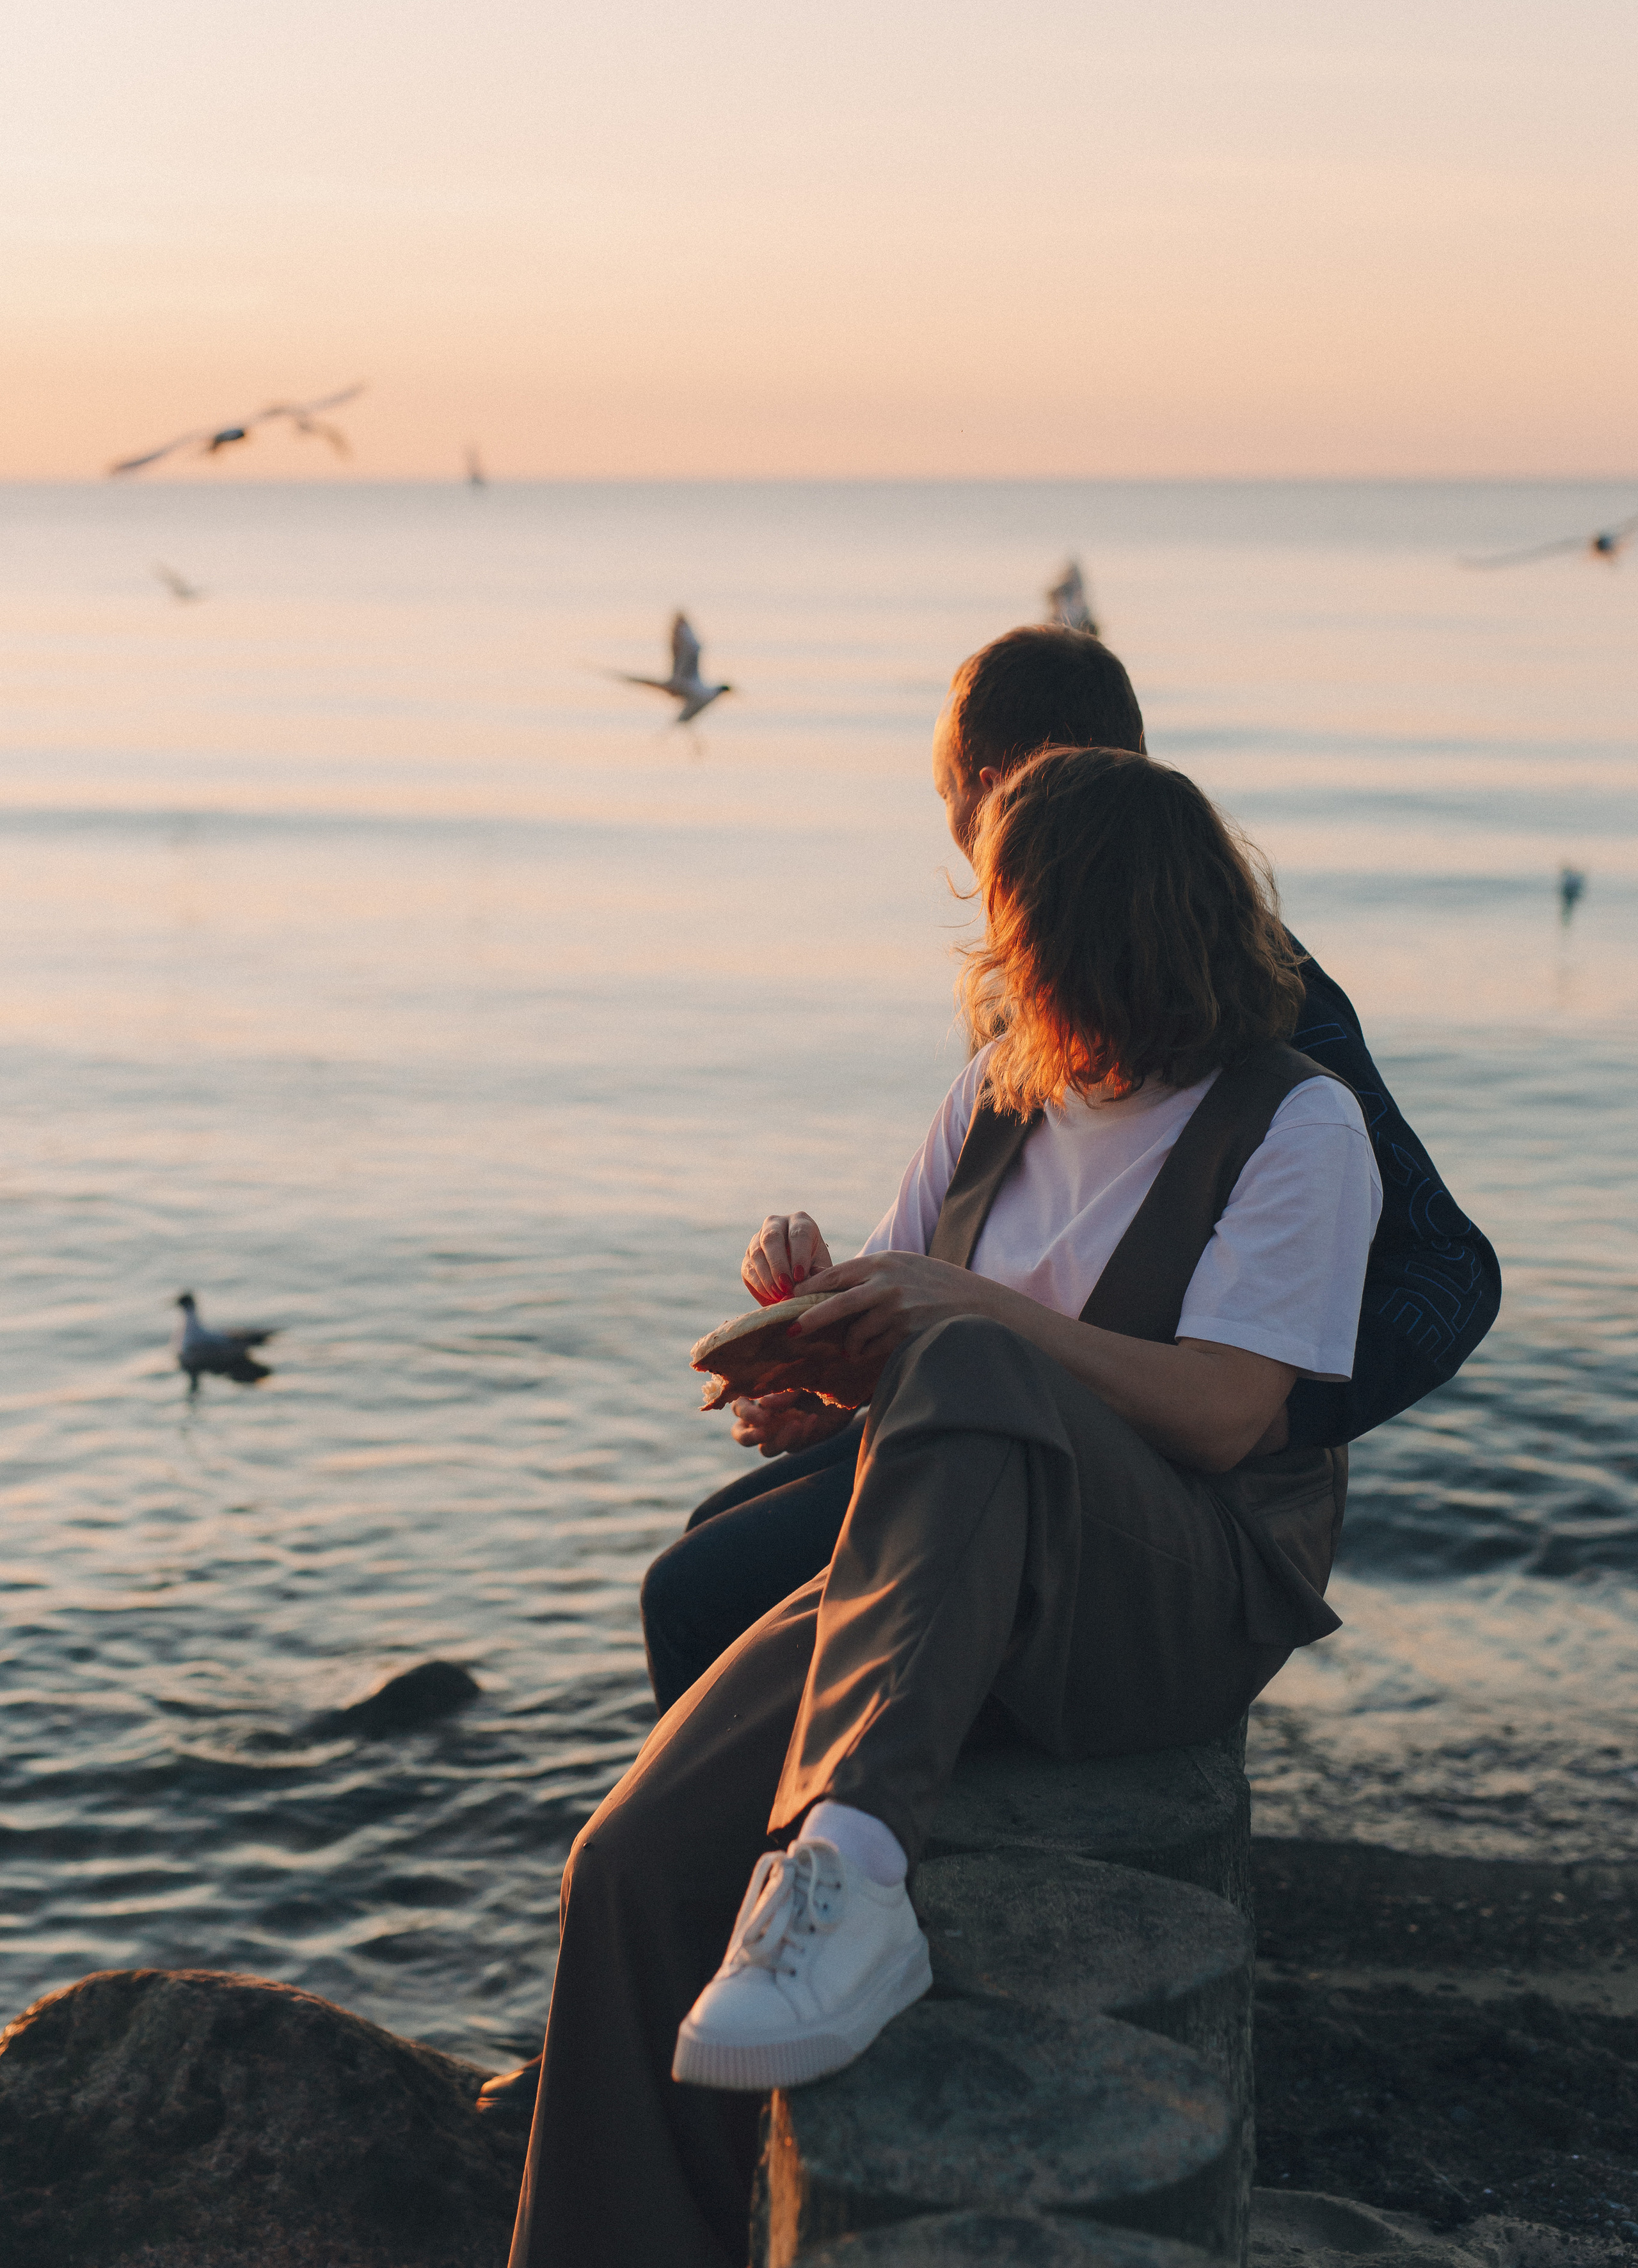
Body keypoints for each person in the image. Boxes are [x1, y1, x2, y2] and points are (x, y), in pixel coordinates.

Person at [508, 741, 1392, 2268]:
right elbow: (916, 1371)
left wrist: (959, 1320)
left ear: (1094, 934)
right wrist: (814, 1366)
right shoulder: (997, 1097)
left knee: (979, 1362)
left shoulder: (1292, 1125)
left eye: (1008, 927)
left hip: (1174, 1590)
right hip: (950, 1560)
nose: (988, 960)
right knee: (631, 1864)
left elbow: (1224, 1413)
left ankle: (847, 1872)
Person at [632, 627, 1500, 1716]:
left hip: (1148, 1490)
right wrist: (828, 1362)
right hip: (1005, 1424)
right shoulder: (1028, 1017)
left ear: (999, 795)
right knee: (719, 1538)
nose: (964, 866)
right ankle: (789, 1839)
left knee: (710, 1587)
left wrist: (1261, 1416)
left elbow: (1449, 1267)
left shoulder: (1260, 1022)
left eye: (955, 807)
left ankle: (818, 1841)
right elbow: (990, 1255)